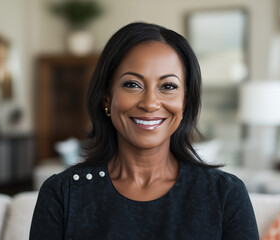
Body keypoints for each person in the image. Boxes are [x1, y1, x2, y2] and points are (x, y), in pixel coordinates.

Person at [30, 22, 259, 240]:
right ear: (107, 98)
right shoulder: (63, 193)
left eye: (168, 86)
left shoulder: (225, 194)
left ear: (185, 101)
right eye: (132, 84)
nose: (150, 103)